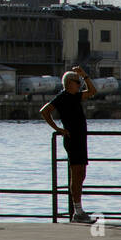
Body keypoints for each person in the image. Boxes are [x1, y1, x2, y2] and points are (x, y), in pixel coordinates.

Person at [40, 66, 98, 223]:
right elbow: (44, 111)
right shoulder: (62, 97)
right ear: (69, 83)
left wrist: (84, 75)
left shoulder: (76, 96)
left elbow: (93, 91)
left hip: (81, 138)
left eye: (79, 82)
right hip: (72, 139)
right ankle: (78, 211)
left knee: (82, 174)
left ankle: (78, 209)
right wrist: (58, 129)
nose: (79, 84)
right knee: (76, 174)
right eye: (77, 82)